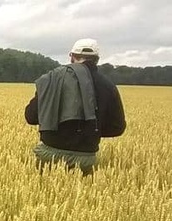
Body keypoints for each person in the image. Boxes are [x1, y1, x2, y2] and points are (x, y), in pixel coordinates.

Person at [25, 38, 126, 175]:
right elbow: (117, 128)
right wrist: (91, 129)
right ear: (96, 59)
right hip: (85, 159)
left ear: (72, 56)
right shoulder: (108, 85)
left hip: (49, 156)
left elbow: (31, 117)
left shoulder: (53, 78)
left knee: (41, 193)